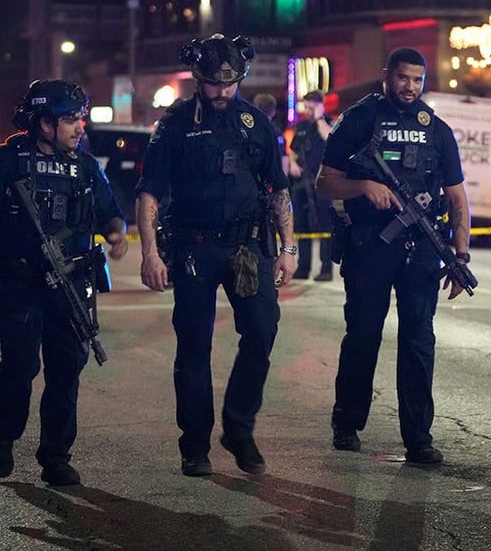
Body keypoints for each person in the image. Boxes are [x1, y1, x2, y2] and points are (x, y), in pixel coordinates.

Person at [0, 79, 129, 486]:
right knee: (20, 366)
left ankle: (56, 457)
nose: (80, 127)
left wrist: (117, 233)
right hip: (21, 282)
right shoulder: (5, 160)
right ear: (44, 124)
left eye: (80, 118)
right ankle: (6, 437)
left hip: (72, 285)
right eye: (70, 120)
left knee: (66, 370)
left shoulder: (86, 165)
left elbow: (110, 212)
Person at [135, 33, 297, 477]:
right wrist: (150, 253)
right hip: (193, 249)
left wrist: (288, 248)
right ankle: (195, 446)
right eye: (213, 83)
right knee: (193, 349)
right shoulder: (174, 125)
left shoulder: (255, 123)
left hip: (248, 248)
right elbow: (149, 191)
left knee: (262, 333)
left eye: (231, 83)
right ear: (197, 78)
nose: (223, 91)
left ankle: (239, 428)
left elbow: (278, 189)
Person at [316, 47, 471, 465]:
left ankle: (418, 438)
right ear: (386, 75)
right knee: (363, 336)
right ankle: (347, 423)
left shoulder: (436, 129)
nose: (410, 87)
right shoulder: (359, 119)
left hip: (420, 249)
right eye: (403, 78)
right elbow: (325, 183)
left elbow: (457, 198)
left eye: (418, 80)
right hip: (370, 246)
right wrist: (363, 187)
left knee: (419, 341)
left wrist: (460, 255)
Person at [288, 90, 333, 281]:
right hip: (302, 183)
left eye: (312, 107)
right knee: (302, 226)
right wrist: (292, 164)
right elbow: (293, 150)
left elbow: (330, 139)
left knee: (324, 225)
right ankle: (303, 267)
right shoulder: (302, 126)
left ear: (321, 106)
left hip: (322, 183)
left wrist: (319, 118)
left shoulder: (328, 124)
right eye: (306, 107)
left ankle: (325, 269)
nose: (308, 111)